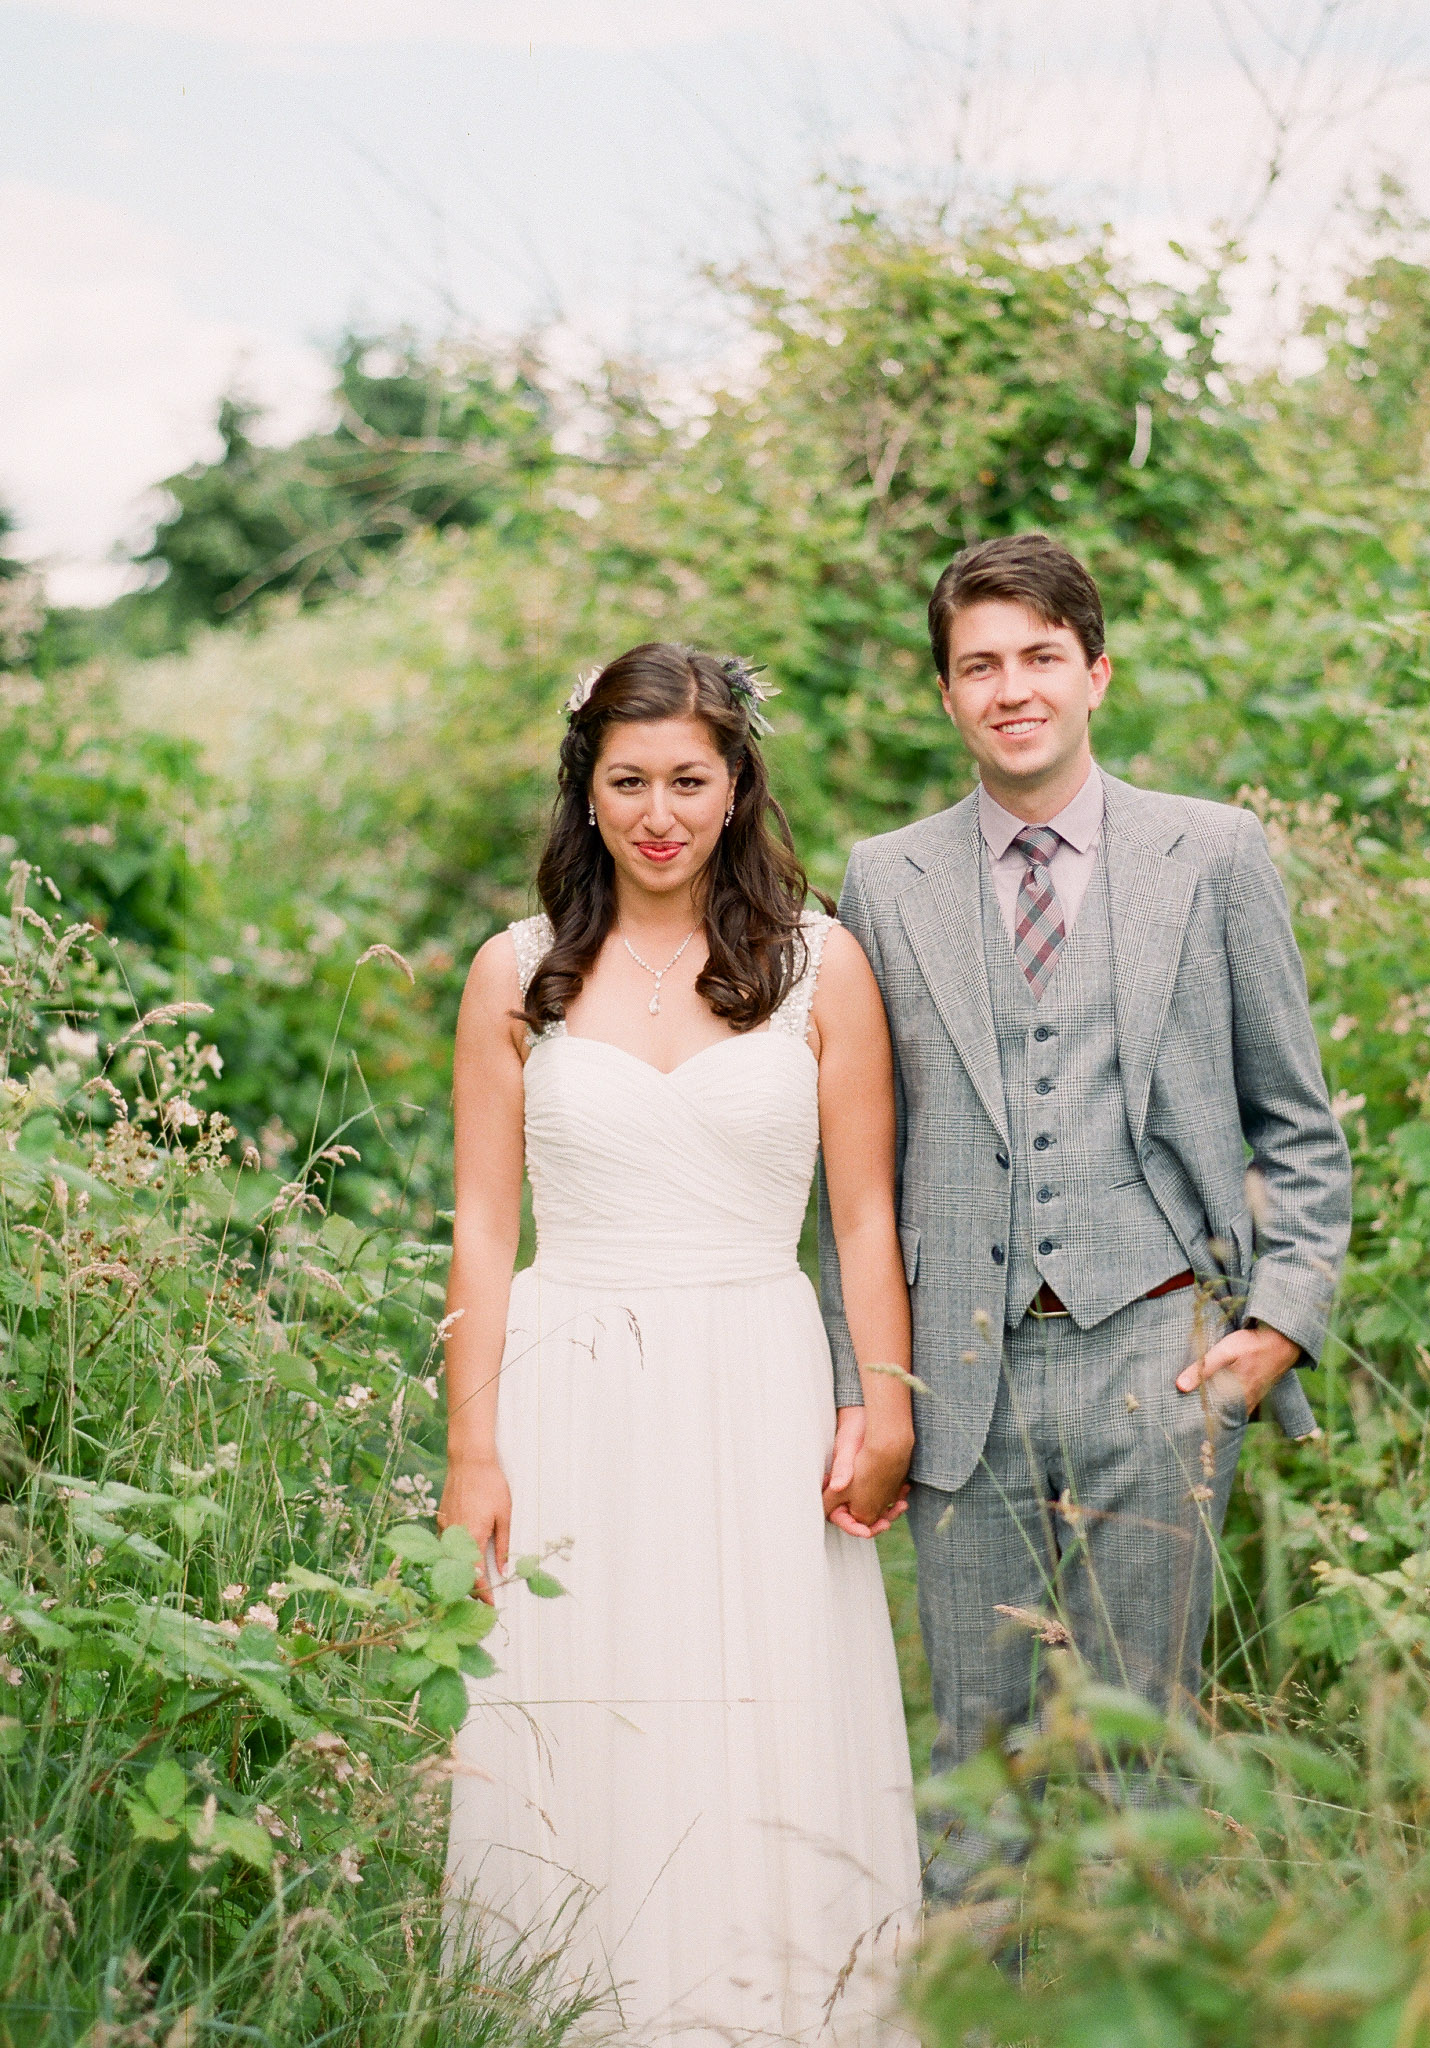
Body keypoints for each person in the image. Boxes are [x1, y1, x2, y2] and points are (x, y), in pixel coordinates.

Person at [816, 532, 1352, 1905]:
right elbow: (855, 1172)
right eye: (979, 665)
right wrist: (863, 1390)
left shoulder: (1214, 853)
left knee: (1145, 1762)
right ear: (944, 695)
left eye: (1041, 658)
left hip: (1156, 1358)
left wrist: (1281, 1325)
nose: (1013, 688)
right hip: (958, 1378)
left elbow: (1298, 1120)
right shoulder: (886, 878)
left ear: (1095, 672)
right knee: (971, 1770)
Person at [438, 643, 924, 2041]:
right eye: (629, 780)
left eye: (690, 780)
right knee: (582, 1706)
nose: (661, 811)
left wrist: (880, 1402)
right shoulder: (513, 976)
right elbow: (481, 1229)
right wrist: (473, 1451)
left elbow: (867, 1214)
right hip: (569, 1381)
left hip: (757, 1381)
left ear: (736, 785)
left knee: (758, 1717)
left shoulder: (822, 966)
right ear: (585, 795)